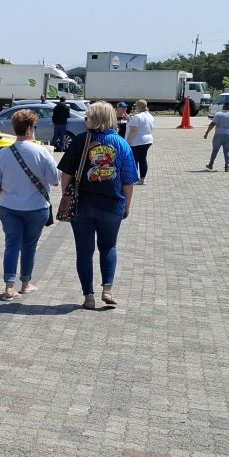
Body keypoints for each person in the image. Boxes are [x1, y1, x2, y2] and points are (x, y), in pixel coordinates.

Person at [58, 101, 137, 309]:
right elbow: (128, 181)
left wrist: (66, 196)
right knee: (108, 246)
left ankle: (88, 296)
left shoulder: (81, 141)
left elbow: (65, 174)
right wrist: (127, 206)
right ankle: (107, 289)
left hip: (82, 204)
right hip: (112, 205)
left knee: (84, 251)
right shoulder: (121, 144)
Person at [0, 109, 59, 300]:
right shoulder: (42, 152)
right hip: (36, 208)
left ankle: (9, 286)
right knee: (29, 246)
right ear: (29, 128)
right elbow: (54, 180)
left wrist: (10, 189)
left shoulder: (3, 153)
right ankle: (25, 283)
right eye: (34, 126)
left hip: (9, 207)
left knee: (11, 245)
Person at [124, 99, 155, 185]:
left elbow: (133, 130)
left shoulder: (138, 116)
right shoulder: (150, 116)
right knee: (143, 159)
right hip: (148, 140)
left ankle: (133, 178)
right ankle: (142, 179)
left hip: (137, 141)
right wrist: (129, 119)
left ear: (139, 106)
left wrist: (127, 142)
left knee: (134, 160)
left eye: (136, 106)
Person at [204, 101, 229, 172]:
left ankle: (210, 164)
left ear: (224, 106)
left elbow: (213, 124)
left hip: (219, 134)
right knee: (227, 151)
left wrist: (207, 132)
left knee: (215, 150)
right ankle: (227, 167)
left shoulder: (219, 114)